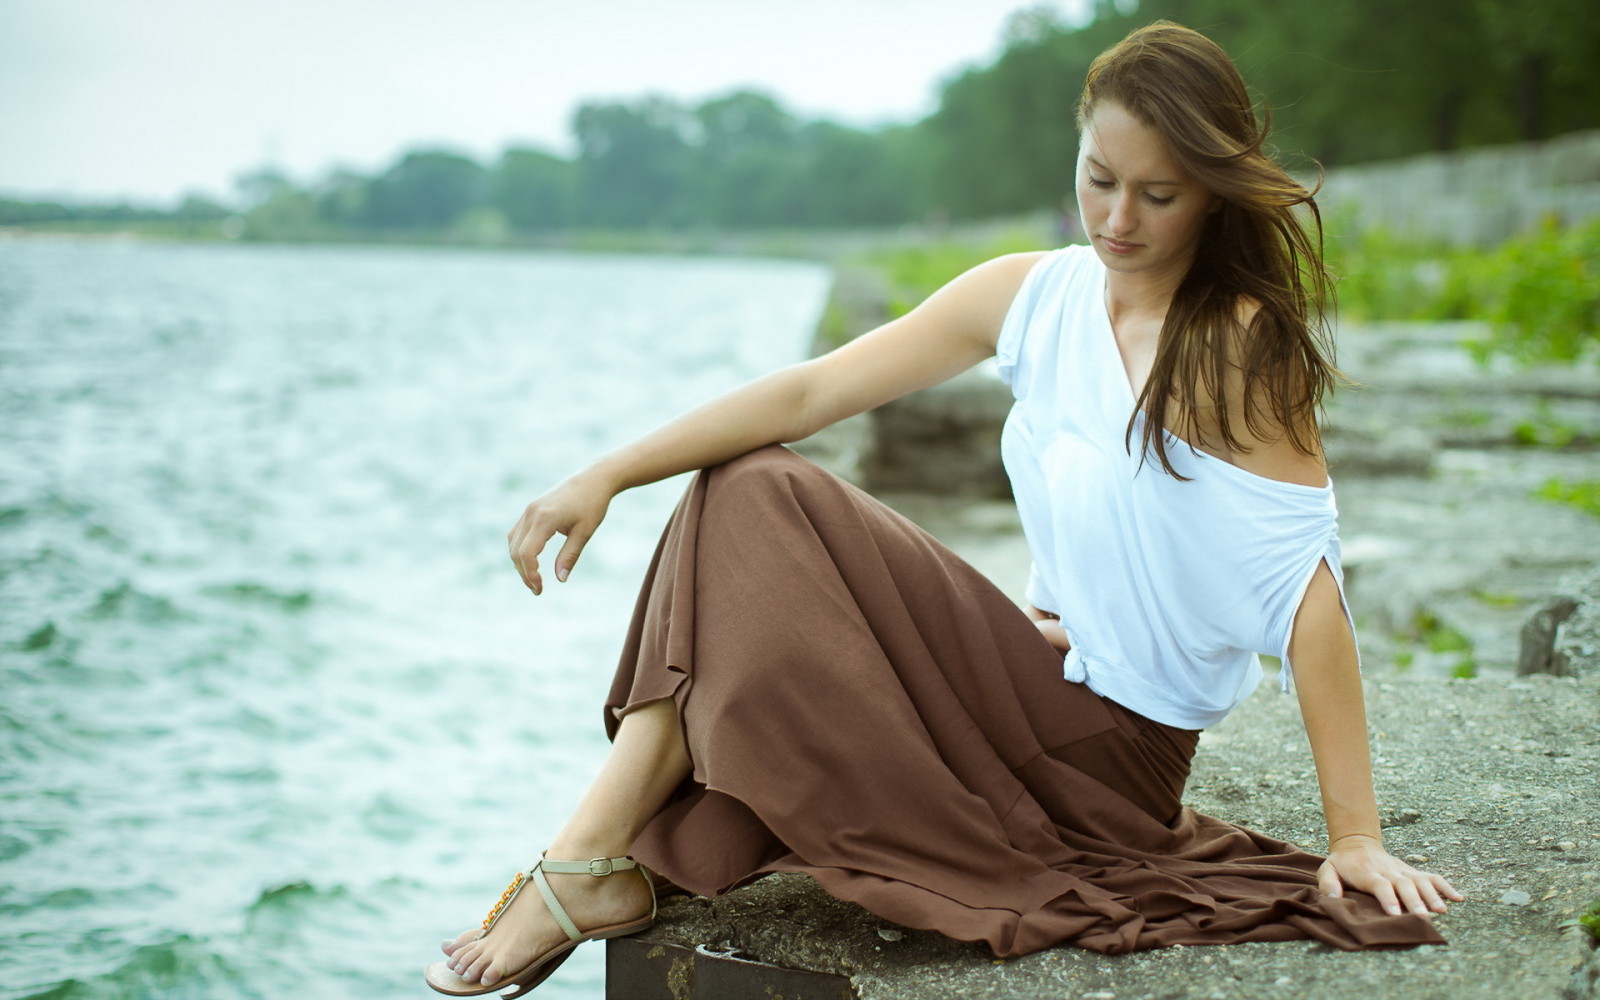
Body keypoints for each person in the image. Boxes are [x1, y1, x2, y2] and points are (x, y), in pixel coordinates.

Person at [425, 21, 1463, 997]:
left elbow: (1304, 588)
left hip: (1110, 756)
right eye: (1098, 181)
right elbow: (806, 394)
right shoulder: (1036, 294)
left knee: (756, 498)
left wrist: (1355, 833)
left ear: (1211, 195)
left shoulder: (1231, 345)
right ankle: (587, 860)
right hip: (1037, 673)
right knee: (742, 481)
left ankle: (581, 864)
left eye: (1158, 195)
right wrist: (603, 473)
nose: (1116, 220)